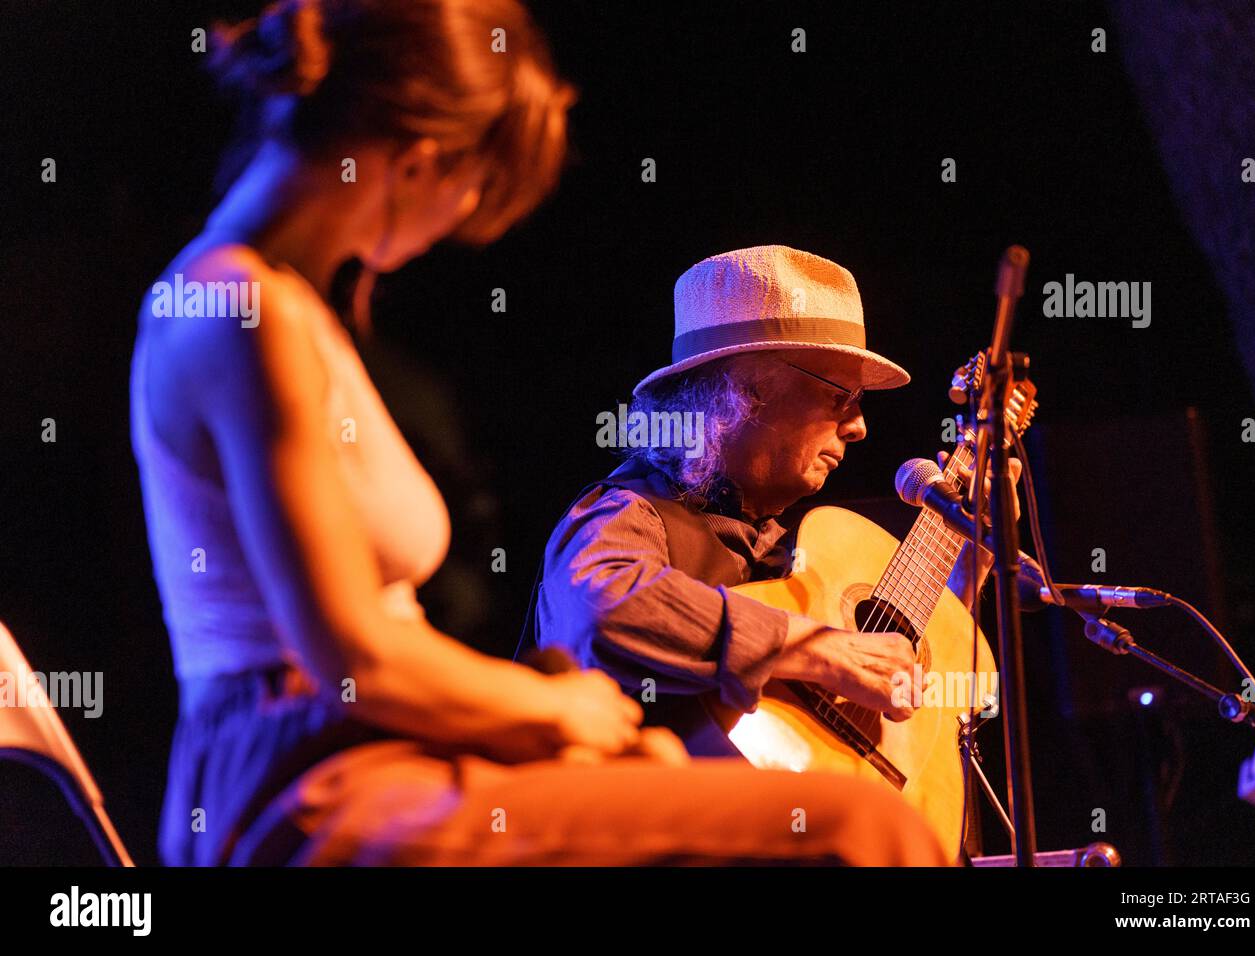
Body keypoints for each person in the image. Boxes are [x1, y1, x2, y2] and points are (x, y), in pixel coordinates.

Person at [131, 1, 948, 865]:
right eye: (480, 186)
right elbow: (358, 659)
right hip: (305, 783)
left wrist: (563, 725)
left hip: (373, 748)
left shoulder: (290, 311)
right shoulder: (237, 311)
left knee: (694, 775)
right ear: (423, 159)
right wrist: (551, 709)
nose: (472, 213)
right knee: (860, 830)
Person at [535, 245, 1021, 752]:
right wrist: (815, 649)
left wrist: (971, 557)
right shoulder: (626, 511)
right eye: (841, 397)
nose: (859, 427)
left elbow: (908, 691)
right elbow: (604, 605)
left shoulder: (797, 556)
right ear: (743, 390)